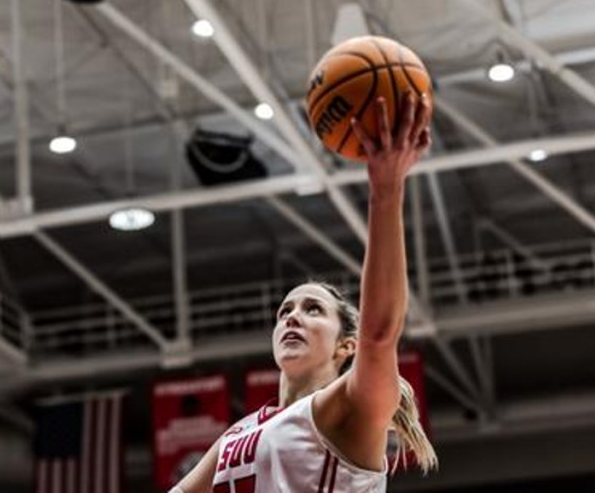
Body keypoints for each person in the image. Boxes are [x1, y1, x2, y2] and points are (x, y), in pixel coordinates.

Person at [171, 93, 437, 492]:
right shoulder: (235, 437)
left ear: (346, 345)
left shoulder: (349, 407)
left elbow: (379, 334)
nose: (292, 316)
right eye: (284, 311)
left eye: (313, 309)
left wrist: (387, 190)